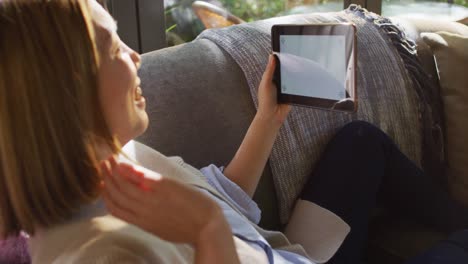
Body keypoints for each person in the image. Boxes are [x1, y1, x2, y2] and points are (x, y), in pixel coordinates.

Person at [0, 1, 467, 264]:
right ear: (65, 91)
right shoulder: (104, 255)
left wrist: (269, 117)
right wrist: (207, 234)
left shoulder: (123, 157)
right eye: (111, 46)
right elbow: (212, 222)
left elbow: (223, 199)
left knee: (361, 142)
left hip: (290, 255)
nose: (135, 55)